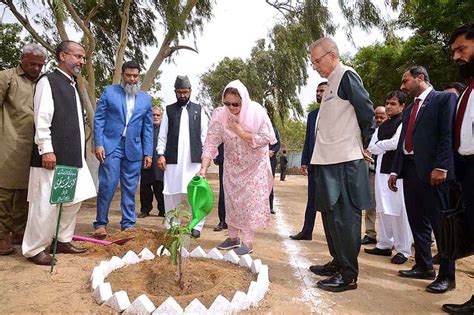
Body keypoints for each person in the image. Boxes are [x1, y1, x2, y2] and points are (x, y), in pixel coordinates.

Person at [308, 37, 375, 293]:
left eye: (317, 60)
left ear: (332, 55)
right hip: (327, 160)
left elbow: (366, 110)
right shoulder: (331, 82)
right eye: (313, 62)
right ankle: (338, 262)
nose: (314, 66)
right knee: (330, 215)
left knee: (345, 217)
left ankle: (349, 275)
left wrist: (364, 143)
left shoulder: (347, 76)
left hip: (345, 160)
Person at [22, 40, 96, 265]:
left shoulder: (71, 84)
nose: (82, 61)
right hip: (51, 157)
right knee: (45, 204)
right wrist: (46, 150)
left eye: (83, 58)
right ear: (62, 56)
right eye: (77, 56)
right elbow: (42, 119)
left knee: (74, 200)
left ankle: (62, 240)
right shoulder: (48, 81)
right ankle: (34, 249)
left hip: (73, 156)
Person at [389, 66, 457, 294]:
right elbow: (402, 144)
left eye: (405, 81)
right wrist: (395, 171)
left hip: (433, 173)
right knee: (417, 221)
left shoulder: (443, 99)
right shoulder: (409, 109)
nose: (402, 86)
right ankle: (424, 265)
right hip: (410, 172)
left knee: (441, 225)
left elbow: (447, 134)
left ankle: (447, 275)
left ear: (420, 78)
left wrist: (441, 166)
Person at [199, 80, 276, 255]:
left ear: (244, 101)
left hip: (254, 167)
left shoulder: (257, 113)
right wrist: (203, 168)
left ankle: (248, 242)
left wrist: (240, 132)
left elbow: (265, 139)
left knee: (248, 204)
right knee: (232, 202)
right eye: (227, 103)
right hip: (232, 167)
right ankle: (233, 237)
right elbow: (211, 142)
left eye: (236, 104)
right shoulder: (220, 116)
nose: (231, 107)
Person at [93, 61, 153, 238]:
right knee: (108, 184)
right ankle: (100, 223)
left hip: (134, 149)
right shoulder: (109, 92)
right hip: (111, 146)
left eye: (135, 76)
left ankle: (128, 224)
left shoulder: (145, 99)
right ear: (122, 75)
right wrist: (98, 144)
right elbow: (99, 119)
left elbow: (148, 128)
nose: (132, 79)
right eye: (129, 75)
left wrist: (148, 152)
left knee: (130, 187)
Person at [0, 44, 47, 255]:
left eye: (40, 65)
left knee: (28, 193)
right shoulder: (7, 77)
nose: (37, 68)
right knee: (5, 194)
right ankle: (2, 237)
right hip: (9, 143)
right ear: (22, 60)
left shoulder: (44, 83)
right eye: (33, 64)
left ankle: (20, 234)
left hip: (37, 146)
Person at [442, 23, 474, 314]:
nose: (456, 56)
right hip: (466, 169)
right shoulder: (468, 89)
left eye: (461, 49)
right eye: (454, 51)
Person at [157, 75, 208, 238]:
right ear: (175, 92)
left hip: (194, 161)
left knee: (196, 193)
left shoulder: (199, 109)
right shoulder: (168, 110)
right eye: (179, 92)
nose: (183, 96)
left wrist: (206, 157)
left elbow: (205, 135)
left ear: (191, 91)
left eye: (185, 92)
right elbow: (162, 134)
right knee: (171, 192)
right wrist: (160, 154)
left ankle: (197, 225)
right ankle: (172, 225)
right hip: (172, 159)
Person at [365, 91, 412, 264]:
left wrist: (379, 146)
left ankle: (403, 250)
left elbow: (396, 143)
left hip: (397, 172)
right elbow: (371, 146)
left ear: (402, 106)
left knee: (399, 211)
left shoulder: (404, 122)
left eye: (393, 103)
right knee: (383, 209)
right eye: (387, 103)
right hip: (380, 170)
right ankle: (384, 244)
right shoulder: (382, 126)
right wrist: (380, 146)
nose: (389, 106)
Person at [290, 80, 327, 241]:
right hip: (314, 164)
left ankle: (333, 237)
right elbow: (308, 140)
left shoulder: (337, 114)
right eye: (317, 91)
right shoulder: (312, 115)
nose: (319, 94)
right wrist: (304, 161)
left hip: (329, 165)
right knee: (311, 199)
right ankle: (307, 231)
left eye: (322, 91)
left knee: (328, 202)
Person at [362, 106, 388, 245]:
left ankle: (390, 238)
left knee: (388, 207)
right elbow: (367, 149)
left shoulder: (394, 130)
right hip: (372, 173)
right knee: (370, 204)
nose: (378, 120)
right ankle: (370, 233)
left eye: (381, 117)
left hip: (388, 174)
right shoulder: (370, 133)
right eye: (376, 117)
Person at [138, 106, 165, 218]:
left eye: (158, 115)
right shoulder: (144, 129)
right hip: (146, 163)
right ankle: (145, 210)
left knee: (161, 189)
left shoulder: (165, 131)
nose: (155, 117)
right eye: (153, 115)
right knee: (145, 189)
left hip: (160, 165)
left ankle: (163, 210)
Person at [213, 144, 227, 231]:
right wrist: (215, 155)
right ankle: (222, 221)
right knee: (223, 190)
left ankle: (238, 222)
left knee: (239, 193)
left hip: (240, 158)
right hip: (224, 158)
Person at [268, 127, 280, 214]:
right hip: (259, 160)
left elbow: (278, 144)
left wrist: (272, 151)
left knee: (270, 182)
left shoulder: (274, 130)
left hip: (271, 160)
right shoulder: (255, 128)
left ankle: (270, 206)